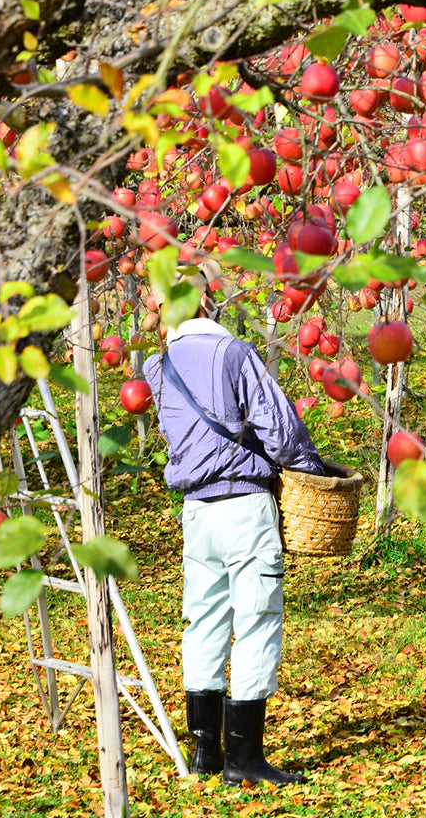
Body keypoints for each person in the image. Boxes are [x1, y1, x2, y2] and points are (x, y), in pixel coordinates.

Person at [142, 261, 324, 785]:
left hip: (196, 513)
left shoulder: (158, 367)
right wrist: (311, 472)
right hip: (245, 507)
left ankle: (205, 754)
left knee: (202, 622)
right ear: (205, 302)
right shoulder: (234, 353)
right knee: (257, 622)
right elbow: (281, 429)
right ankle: (245, 759)